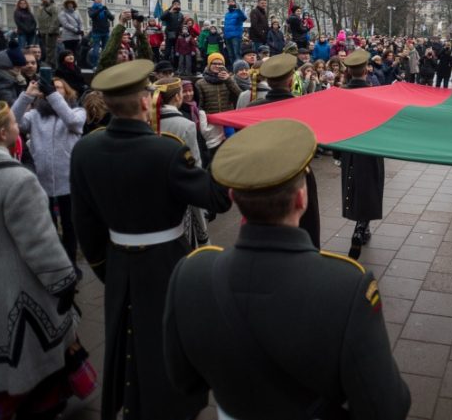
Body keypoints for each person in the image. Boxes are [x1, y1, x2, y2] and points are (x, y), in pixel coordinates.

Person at [163, 119, 411, 420]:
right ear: (301, 198)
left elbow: (184, 381)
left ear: (233, 197)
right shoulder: (347, 288)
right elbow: (386, 407)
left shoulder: (190, 274)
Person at [70, 60, 232, 420]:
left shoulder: (85, 150)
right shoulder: (166, 151)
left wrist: (105, 267)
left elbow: (84, 223)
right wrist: (226, 153)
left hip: (117, 260)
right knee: (167, 341)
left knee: (125, 337)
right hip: (166, 261)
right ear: (146, 102)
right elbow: (216, 198)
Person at [0, 101, 79, 419]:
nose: (18, 127)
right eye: (14, 123)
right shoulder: (17, 180)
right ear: (3, 133)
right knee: (25, 369)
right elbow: (42, 246)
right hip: (15, 293)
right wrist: (65, 281)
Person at [247, 53, 322, 247]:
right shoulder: (306, 106)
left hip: (262, 177)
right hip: (298, 175)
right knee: (306, 230)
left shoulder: (253, 107)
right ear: (290, 81)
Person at [12, 76, 87, 269]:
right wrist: (27, 96)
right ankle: (54, 266)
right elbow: (12, 122)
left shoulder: (78, 111)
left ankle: (71, 265)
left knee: (71, 228)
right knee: (48, 228)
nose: (54, 91)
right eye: (51, 88)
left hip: (69, 182)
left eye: (59, 88)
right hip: (41, 181)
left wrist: (52, 95)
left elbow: (72, 122)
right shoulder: (35, 115)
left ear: (67, 92)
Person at [154, 77, 210, 248]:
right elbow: (195, 165)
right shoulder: (186, 125)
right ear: (177, 96)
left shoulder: (149, 121)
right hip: (181, 191)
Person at [340, 50, 385, 259]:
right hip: (372, 148)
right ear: (366, 69)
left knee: (353, 186)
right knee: (371, 187)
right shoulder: (375, 93)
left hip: (350, 148)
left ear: (348, 70)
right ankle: (361, 227)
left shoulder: (341, 93)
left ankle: (361, 225)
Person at [36, 0, 61, 67]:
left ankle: (51, 64)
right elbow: (40, 20)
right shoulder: (41, 8)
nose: (44, 0)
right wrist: (39, 30)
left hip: (51, 31)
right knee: (45, 48)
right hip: (43, 31)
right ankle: (48, 63)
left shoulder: (54, 7)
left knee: (50, 49)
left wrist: (51, 30)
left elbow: (55, 19)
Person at [222, 0, 246, 68]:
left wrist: (238, 10)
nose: (230, 3)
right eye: (229, 2)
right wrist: (224, 35)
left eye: (232, 1)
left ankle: (239, 68)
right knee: (230, 54)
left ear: (235, 3)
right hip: (227, 36)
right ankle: (233, 69)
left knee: (237, 53)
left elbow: (244, 18)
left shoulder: (238, 12)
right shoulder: (227, 14)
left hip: (236, 36)